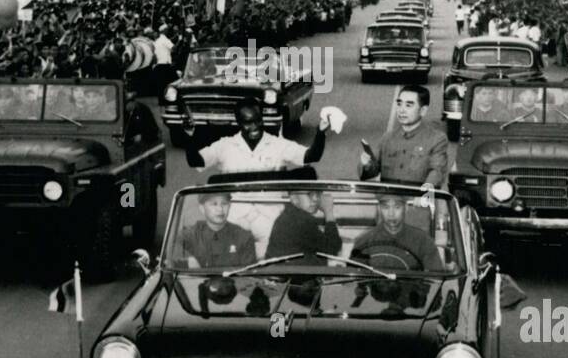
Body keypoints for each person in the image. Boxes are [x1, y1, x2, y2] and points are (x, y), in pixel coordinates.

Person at [184, 99, 327, 173]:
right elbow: (196, 162)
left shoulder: (279, 145)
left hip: (273, 218)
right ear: (238, 123)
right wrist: (189, 137)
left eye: (258, 120)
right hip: (235, 217)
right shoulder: (224, 146)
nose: (255, 126)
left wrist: (321, 132)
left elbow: (311, 156)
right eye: (247, 122)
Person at [360, 85, 449, 188]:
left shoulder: (436, 139)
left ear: (423, 110)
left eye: (408, 105)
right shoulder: (387, 138)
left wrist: (425, 195)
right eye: (399, 104)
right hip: (388, 201)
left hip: (417, 201)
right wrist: (366, 164)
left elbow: (437, 172)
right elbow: (371, 173)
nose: (401, 110)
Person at [351, 195, 444, 271]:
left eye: (397, 207)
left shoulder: (423, 241)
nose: (391, 214)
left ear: (406, 208)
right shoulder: (364, 241)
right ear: (379, 209)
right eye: (386, 207)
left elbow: (435, 278)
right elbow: (355, 283)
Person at [178, 192, 256, 269]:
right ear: (202, 208)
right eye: (214, 204)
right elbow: (171, 253)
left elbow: (248, 274)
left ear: (229, 206)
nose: (220, 209)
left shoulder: (244, 237)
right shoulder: (190, 235)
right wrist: (190, 258)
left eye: (224, 203)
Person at [265, 189, 342, 261]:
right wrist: (328, 211)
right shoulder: (302, 220)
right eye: (309, 194)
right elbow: (332, 249)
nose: (315, 199)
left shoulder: (289, 216)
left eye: (318, 193)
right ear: (294, 197)